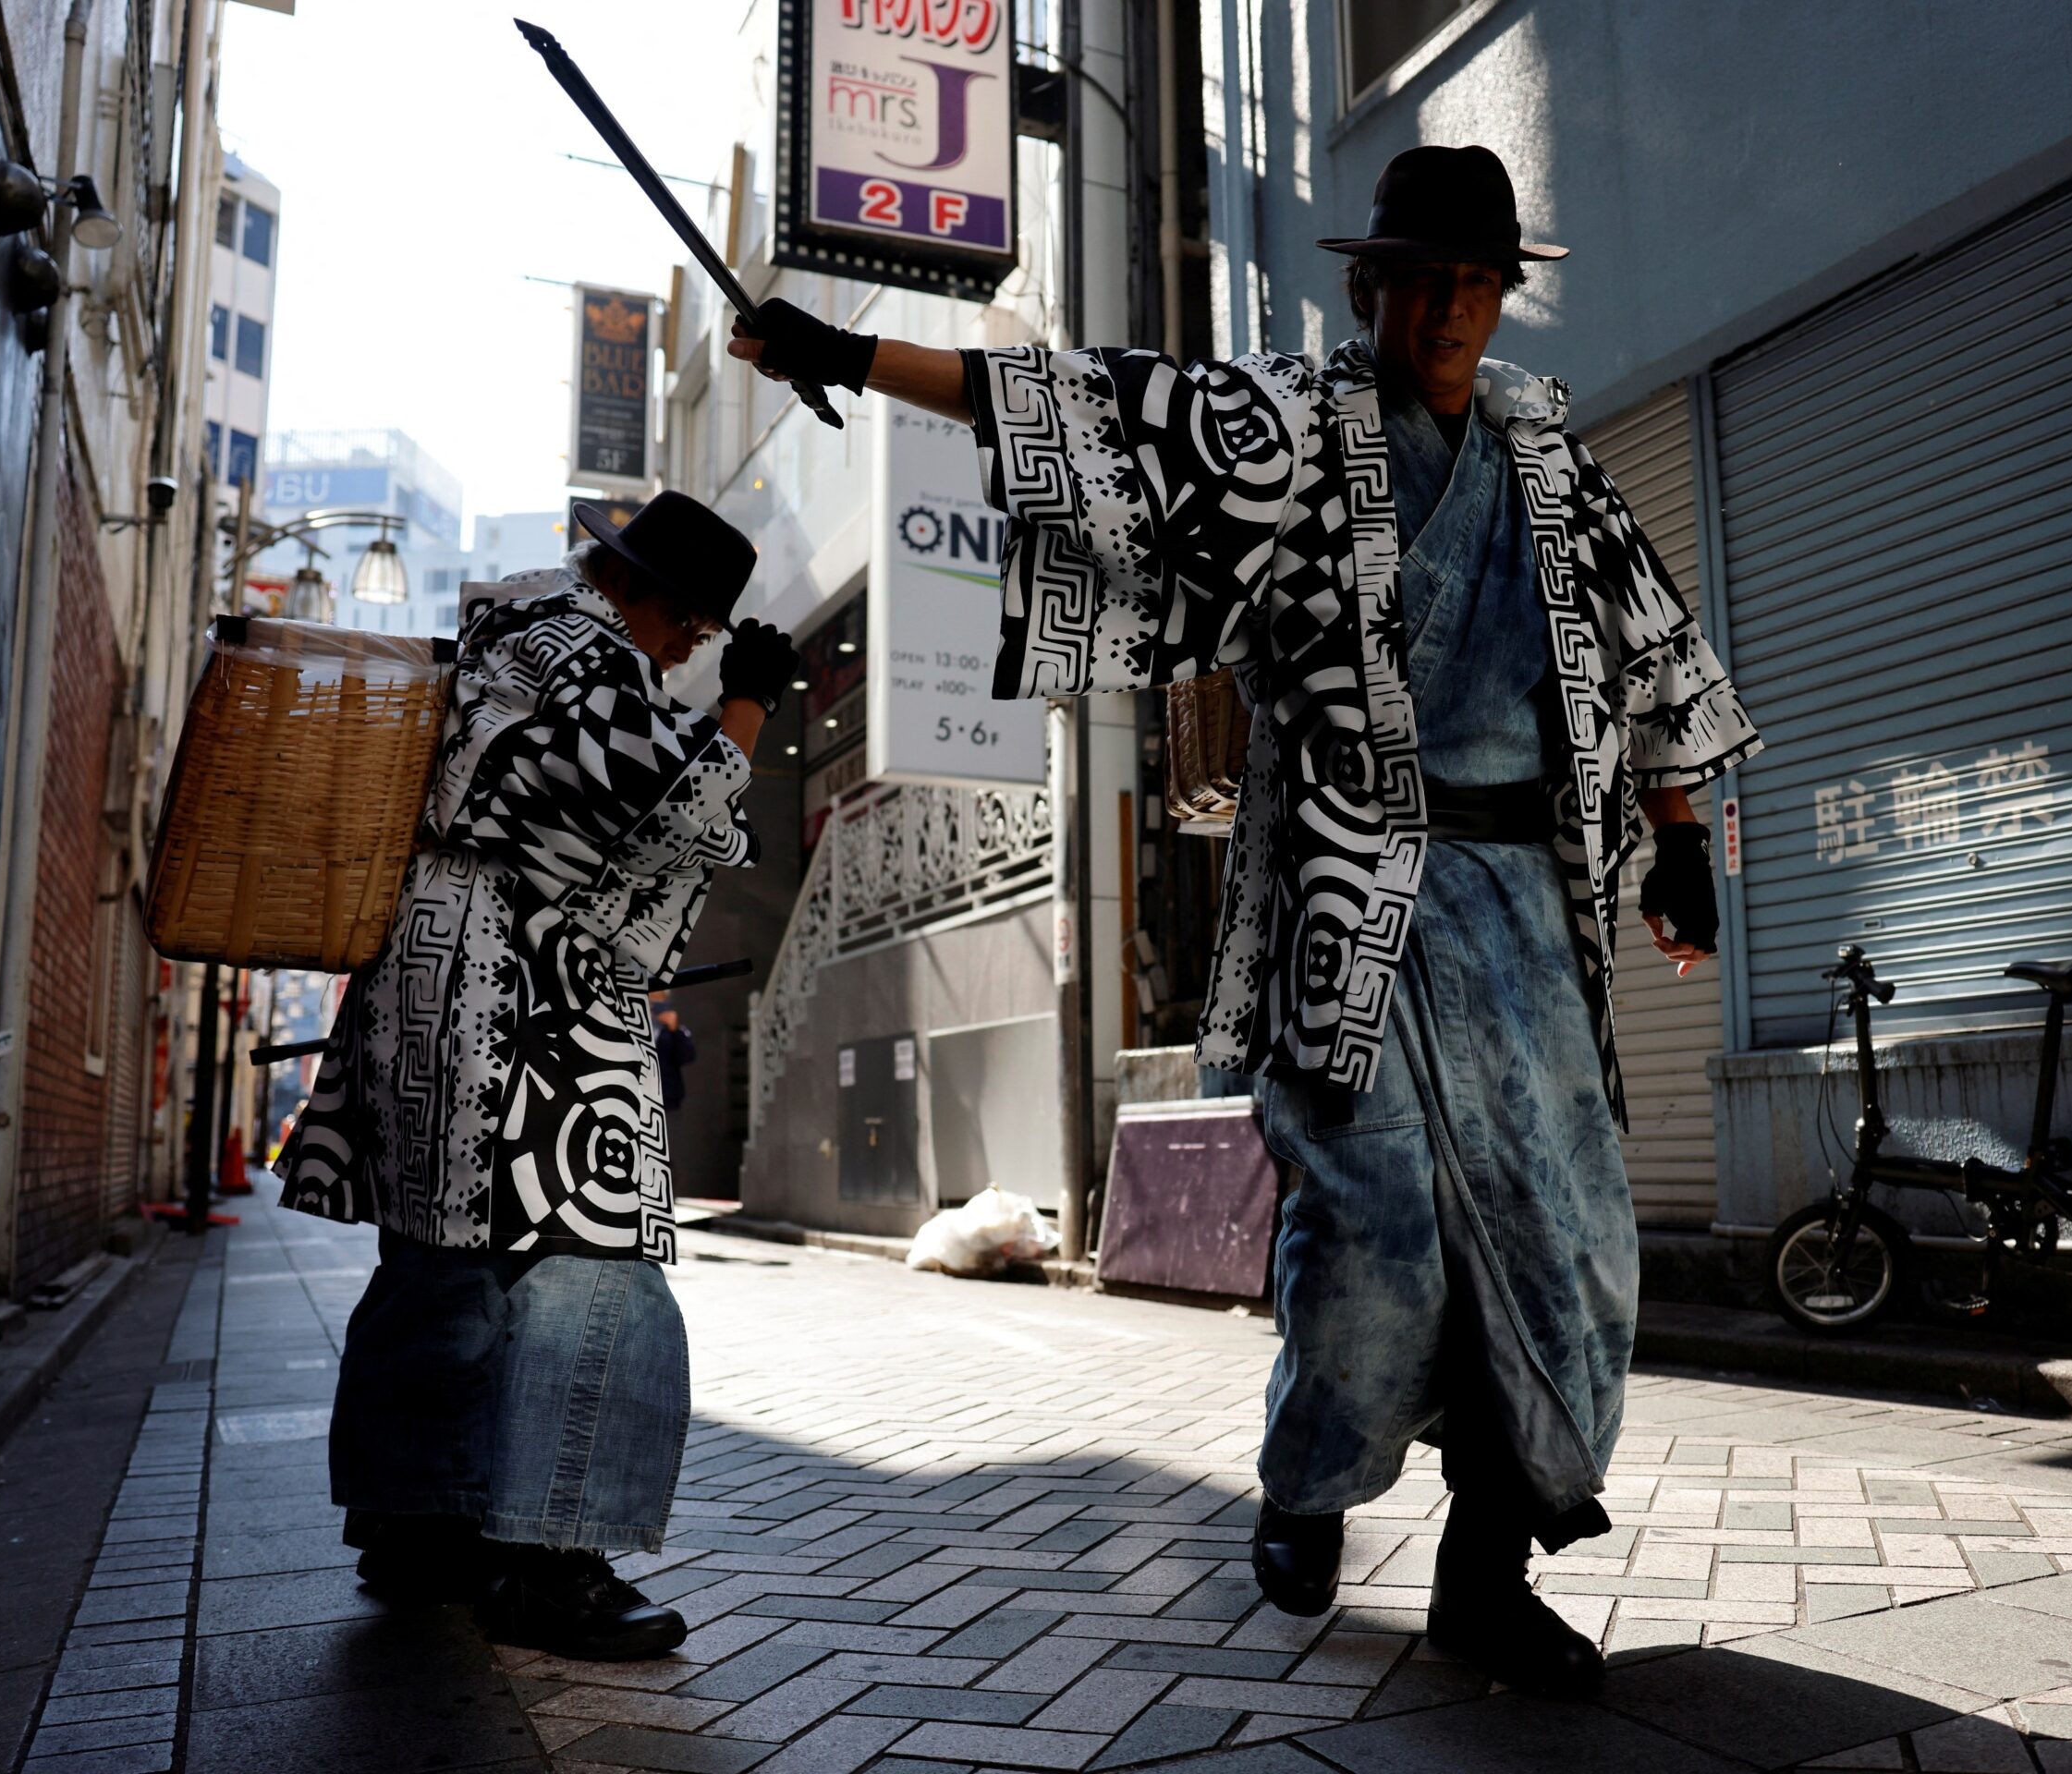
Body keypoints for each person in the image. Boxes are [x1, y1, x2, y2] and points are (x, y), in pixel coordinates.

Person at [730, 145, 1760, 1695]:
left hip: (1529, 918)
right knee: (1386, 1225)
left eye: (1478, 284)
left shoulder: (1549, 460)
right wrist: (846, 352)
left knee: (1561, 1251)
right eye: (1425, 282)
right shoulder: (1294, 429)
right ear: (1374, 288)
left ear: (1501, 297)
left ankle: (1485, 1577)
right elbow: (1102, 411)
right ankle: (1312, 1471)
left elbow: (1647, 631)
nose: (1451, 313)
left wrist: (1676, 837)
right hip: (1359, 900)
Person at [275, 492, 798, 1659]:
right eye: (695, 633)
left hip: (434, 976)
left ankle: (418, 1529)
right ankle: (552, 1559)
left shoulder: (507, 634)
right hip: (527, 989)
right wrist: (750, 706)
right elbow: (677, 813)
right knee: (588, 1258)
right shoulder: (584, 648)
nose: (687, 654)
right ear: (656, 600)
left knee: (441, 1265)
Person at [652, 993, 695, 1113]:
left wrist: (674, 1030)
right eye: (651, 1000)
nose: (655, 1005)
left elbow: (687, 1056)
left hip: (667, 1098)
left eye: (659, 1000)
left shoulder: (676, 1031)